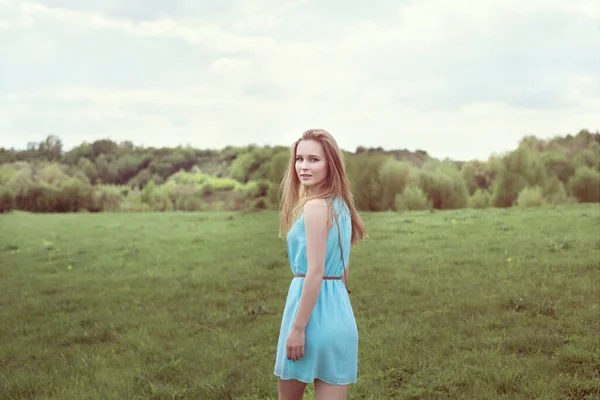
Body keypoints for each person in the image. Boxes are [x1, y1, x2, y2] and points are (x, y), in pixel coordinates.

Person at [273, 129, 367, 400]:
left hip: (308, 315)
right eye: (299, 158)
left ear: (331, 164)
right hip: (339, 313)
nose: (303, 166)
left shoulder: (314, 207)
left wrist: (298, 328)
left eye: (313, 159)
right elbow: (342, 267)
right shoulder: (342, 206)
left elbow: (315, 271)